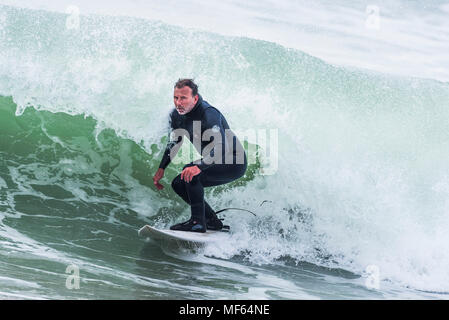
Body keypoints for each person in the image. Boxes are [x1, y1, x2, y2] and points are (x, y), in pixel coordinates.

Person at [152, 79, 247, 233]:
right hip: (213, 161)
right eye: (176, 98)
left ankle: (197, 223)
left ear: (194, 98)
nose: (178, 103)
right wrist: (162, 168)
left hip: (234, 162)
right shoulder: (177, 116)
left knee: (190, 171)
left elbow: (221, 147)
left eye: (183, 98)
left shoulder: (209, 113)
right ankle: (211, 221)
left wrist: (200, 166)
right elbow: (175, 141)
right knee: (178, 183)